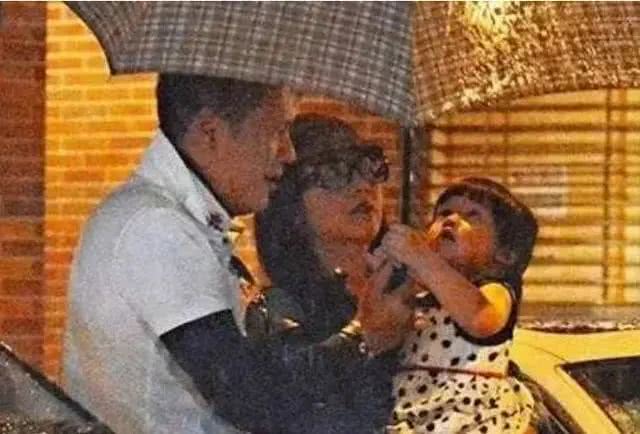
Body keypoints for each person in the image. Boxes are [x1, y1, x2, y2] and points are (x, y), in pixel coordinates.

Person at [63, 74, 411, 434]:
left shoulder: (170, 219)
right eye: (277, 133)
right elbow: (249, 395)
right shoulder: (157, 225)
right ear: (210, 133)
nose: (288, 154)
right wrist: (367, 337)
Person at [245, 114, 396, 433]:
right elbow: (287, 394)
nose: (362, 187)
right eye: (334, 174)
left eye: (369, 169)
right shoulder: (279, 308)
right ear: (290, 202)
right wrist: (366, 333)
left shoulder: (405, 284)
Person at [380, 177, 538, 434]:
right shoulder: (420, 292)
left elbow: (480, 318)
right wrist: (388, 268)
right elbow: (377, 332)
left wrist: (422, 259)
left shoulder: (494, 290)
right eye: (444, 213)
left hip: (468, 421)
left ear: (505, 255)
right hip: (413, 417)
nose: (451, 220)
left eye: (473, 216)